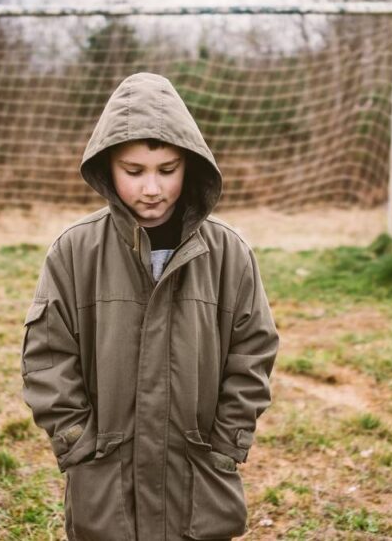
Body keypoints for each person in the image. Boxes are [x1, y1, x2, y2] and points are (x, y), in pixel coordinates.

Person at [21, 72, 279, 540]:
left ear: (191, 165)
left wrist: (226, 443)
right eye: (133, 171)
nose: (152, 189)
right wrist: (78, 443)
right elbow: (46, 356)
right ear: (107, 167)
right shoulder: (74, 252)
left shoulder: (229, 254)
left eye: (167, 170)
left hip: (198, 480)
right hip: (105, 482)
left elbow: (253, 352)